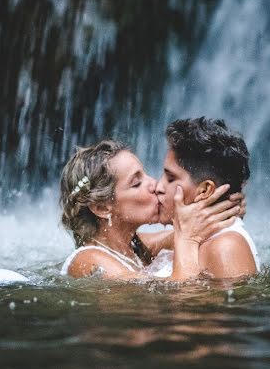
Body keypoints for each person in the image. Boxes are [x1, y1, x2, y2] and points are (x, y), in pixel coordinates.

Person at [59, 139, 244, 279]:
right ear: (101, 207)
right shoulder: (90, 260)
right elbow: (185, 299)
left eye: (146, 174)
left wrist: (215, 207)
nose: (155, 184)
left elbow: (184, 231)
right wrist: (188, 239)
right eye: (137, 183)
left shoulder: (135, 246)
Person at [154, 117, 258, 279]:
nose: (158, 187)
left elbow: (187, 303)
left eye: (171, 178)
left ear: (205, 191)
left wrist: (188, 240)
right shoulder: (191, 237)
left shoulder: (225, 247)